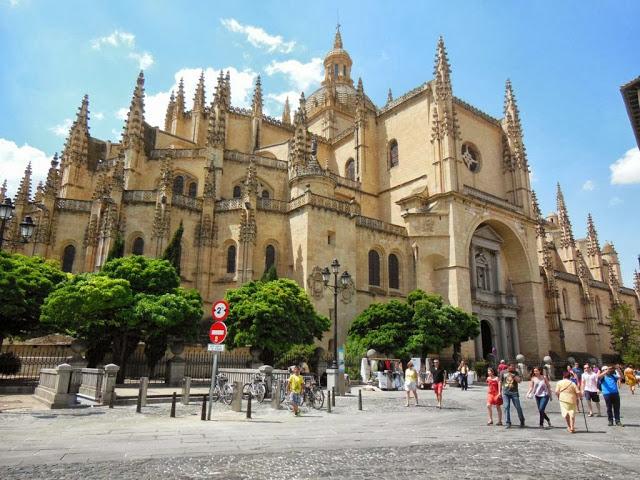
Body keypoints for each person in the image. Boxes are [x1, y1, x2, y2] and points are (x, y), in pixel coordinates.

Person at [500, 362, 525, 428]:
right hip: (506, 393)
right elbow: (500, 382)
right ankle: (508, 422)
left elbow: (519, 381)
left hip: (514, 393)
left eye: (514, 367)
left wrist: (513, 375)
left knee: (518, 407)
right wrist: (499, 392)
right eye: (512, 366)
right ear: (508, 366)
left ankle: (522, 420)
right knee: (506, 407)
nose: (514, 368)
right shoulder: (503, 372)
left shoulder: (516, 373)